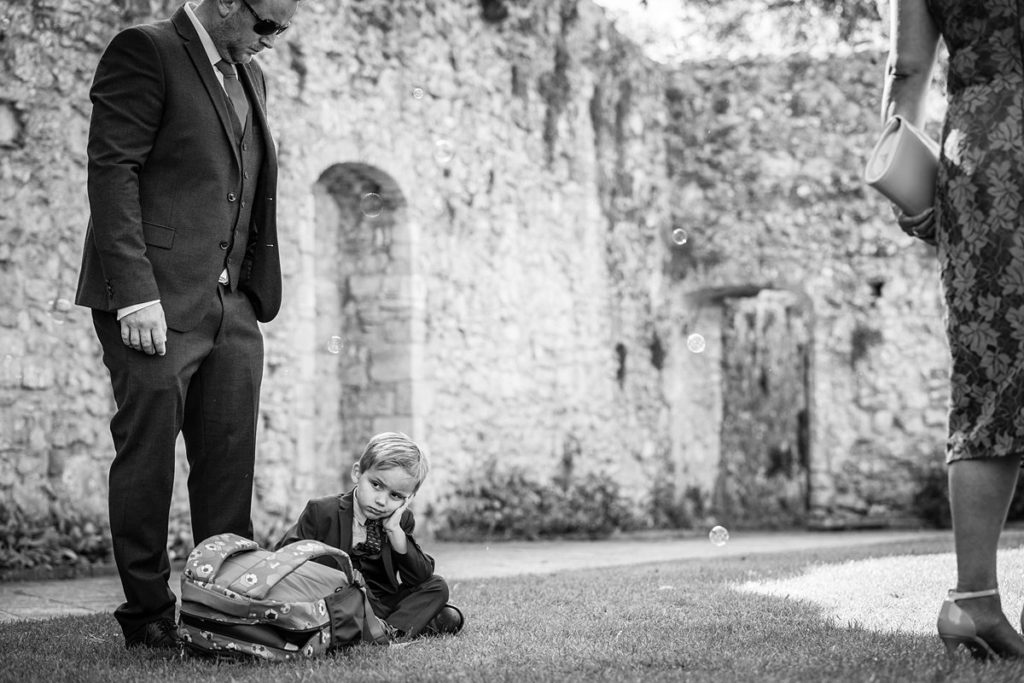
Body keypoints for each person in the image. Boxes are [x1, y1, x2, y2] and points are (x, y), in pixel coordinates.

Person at [74, 0, 301, 650]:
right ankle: (146, 613)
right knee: (147, 453)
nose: (275, 41)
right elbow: (112, 172)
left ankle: (220, 607)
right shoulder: (145, 51)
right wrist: (134, 296)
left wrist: (248, 295)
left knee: (230, 459)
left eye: (285, 28)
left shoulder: (251, 77)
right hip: (153, 300)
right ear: (228, 2)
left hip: (233, 305)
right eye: (268, 26)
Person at [881, 0, 1024, 660]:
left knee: (987, 376)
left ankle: (973, 600)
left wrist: (905, 180)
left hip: (983, 161)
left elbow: (909, 68)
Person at [275, 432, 465, 641]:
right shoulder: (322, 511)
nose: (382, 501)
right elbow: (285, 554)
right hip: (339, 598)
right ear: (358, 473)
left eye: (396, 496)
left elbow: (420, 577)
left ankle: (388, 631)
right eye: (376, 485)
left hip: (381, 603)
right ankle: (396, 625)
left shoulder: (401, 521)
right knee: (445, 618)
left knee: (437, 587)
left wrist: (395, 531)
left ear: (408, 498)